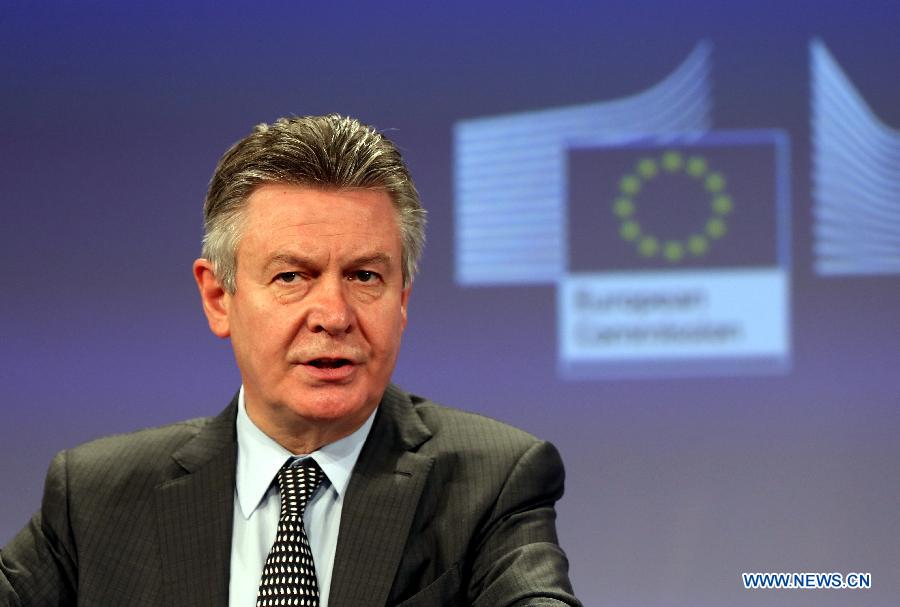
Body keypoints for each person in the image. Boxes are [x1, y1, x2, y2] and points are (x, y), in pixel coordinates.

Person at [0, 114, 581, 606]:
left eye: (364, 276)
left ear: (401, 299)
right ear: (218, 297)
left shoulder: (493, 482)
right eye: (292, 276)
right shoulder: (97, 497)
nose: (333, 313)